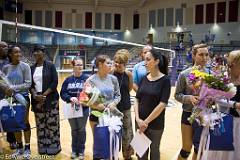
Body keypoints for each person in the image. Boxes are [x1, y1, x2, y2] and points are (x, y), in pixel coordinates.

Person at [134, 49, 171, 160]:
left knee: (154, 151)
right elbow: (137, 99)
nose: (145, 62)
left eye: (148, 59)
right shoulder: (144, 78)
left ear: (156, 61)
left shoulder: (165, 80)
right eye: (145, 59)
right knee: (140, 152)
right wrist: (138, 119)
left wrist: (146, 122)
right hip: (140, 122)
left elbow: (162, 104)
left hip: (155, 124)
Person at [174, 44, 209, 160]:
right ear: (194, 56)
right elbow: (177, 95)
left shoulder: (211, 75)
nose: (204, 57)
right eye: (201, 54)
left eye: (206, 55)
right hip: (188, 114)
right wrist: (189, 98)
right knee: (186, 150)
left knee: (199, 149)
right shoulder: (184, 74)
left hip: (205, 116)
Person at [86, 54, 121, 160]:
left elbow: (118, 95)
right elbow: (84, 100)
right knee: (99, 144)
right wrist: (96, 105)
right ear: (100, 65)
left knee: (112, 142)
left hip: (112, 116)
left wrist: (114, 103)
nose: (111, 65)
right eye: (108, 63)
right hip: (96, 116)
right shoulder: (90, 80)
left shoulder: (113, 79)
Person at [30, 45, 61, 155]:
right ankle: (42, 148)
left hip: (50, 99)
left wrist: (44, 95)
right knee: (40, 125)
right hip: (37, 100)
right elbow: (30, 84)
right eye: (34, 52)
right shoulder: (32, 68)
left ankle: (53, 148)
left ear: (43, 53)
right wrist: (35, 95)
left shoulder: (50, 65)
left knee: (52, 125)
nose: (35, 53)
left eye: (38, 51)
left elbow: (54, 82)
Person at [2, 45, 32, 158]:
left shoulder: (25, 66)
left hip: (23, 98)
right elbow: (4, 83)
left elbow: (28, 84)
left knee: (24, 122)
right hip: (10, 99)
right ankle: (20, 148)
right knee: (15, 123)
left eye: (19, 52)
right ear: (10, 54)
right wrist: (6, 89)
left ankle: (27, 148)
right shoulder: (6, 68)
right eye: (16, 52)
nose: (19, 54)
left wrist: (12, 88)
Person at [60, 57, 89, 159]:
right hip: (71, 109)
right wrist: (70, 98)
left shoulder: (87, 78)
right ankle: (74, 151)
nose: (80, 67)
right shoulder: (68, 80)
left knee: (81, 130)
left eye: (81, 65)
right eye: (78, 65)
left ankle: (81, 151)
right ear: (73, 66)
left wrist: (84, 99)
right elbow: (62, 93)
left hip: (83, 109)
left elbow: (92, 93)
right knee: (74, 130)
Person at [113, 49, 134, 160]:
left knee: (127, 134)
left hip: (125, 108)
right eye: (116, 61)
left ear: (125, 64)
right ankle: (114, 155)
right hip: (113, 109)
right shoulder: (110, 74)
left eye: (120, 62)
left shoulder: (129, 75)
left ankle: (127, 156)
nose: (117, 64)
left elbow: (129, 89)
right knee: (114, 133)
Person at [0, 41, 17, 150]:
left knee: (10, 117)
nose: (6, 48)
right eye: (3, 47)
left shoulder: (11, 61)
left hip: (8, 94)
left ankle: (12, 140)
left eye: (7, 47)